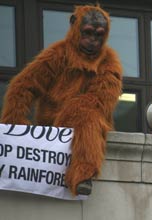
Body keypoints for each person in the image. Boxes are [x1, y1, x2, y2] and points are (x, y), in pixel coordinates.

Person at [1, 4, 123, 196]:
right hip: (52, 129)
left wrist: (72, 111)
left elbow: (102, 101)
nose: (92, 41)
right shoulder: (58, 54)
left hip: (87, 125)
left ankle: (83, 173)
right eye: (88, 33)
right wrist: (15, 130)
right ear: (74, 27)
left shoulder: (109, 62)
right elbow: (22, 87)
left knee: (88, 114)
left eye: (99, 36)